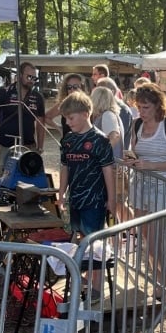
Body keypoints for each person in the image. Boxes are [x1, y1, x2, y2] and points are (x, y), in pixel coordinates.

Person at [124, 83, 166, 295]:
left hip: (162, 186)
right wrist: (130, 160)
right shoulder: (135, 125)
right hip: (139, 185)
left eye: (146, 108)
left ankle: (164, 284)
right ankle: (158, 281)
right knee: (145, 238)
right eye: (138, 107)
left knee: (154, 240)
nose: (141, 112)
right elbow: (134, 152)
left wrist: (151, 166)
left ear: (158, 106)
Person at [56, 91, 117, 239]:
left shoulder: (100, 140)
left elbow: (108, 171)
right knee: (75, 237)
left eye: (71, 118)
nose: (68, 123)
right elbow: (65, 167)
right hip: (74, 199)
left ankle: (92, 263)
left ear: (85, 114)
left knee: (92, 242)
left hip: (94, 202)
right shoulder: (67, 140)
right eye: (65, 119)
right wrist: (62, 192)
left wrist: (111, 199)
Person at [0, 62, 46, 157]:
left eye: (35, 78)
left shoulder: (38, 96)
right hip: (6, 146)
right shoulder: (4, 92)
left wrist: (40, 147)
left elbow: (41, 123)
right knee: (4, 172)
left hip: (29, 146)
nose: (32, 81)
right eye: (29, 77)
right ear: (20, 75)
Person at [44, 73, 87, 137]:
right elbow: (47, 117)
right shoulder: (63, 103)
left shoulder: (87, 104)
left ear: (82, 87)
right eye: (69, 87)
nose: (72, 90)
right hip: (68, 142)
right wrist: (60, 128)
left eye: (75, 87)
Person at [95, 76, 133, 147]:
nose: (97, 94)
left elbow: (116, 137)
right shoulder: (106, 111)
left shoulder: (120, 110)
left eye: (102, 91)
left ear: (112, 92)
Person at [91, 86, 124, 162]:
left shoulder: (107, 115)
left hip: (110, 165)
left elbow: (115, 136)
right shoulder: (107, 114)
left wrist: (101, 154)